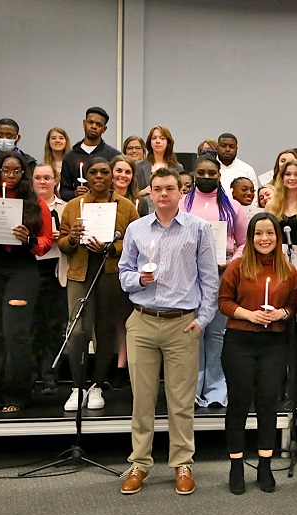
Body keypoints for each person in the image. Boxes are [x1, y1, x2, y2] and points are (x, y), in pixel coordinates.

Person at [118, 167, 219, 495]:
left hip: (181, 323)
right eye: (158, 188)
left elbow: (209, 280)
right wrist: (138, 280)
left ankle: (182, 463)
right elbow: (123, 274)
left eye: (170, 188)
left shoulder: (198, 229)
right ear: (151, 191)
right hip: (143, 320)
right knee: (142, 399)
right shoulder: (136, 228)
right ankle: (139, 463)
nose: (163, 194)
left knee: (180, 400)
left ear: (180, 192)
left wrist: (202, 321)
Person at [219, 213, 297, 494]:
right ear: (250, 238)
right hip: (240, 341)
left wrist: (282, 313)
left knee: (268, 405)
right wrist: (249, 316)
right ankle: (237, 464)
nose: (264, 239)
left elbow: (293, 303)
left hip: (274, 343)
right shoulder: (237, 267)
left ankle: (265, 465)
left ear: (277, 237)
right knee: (239, 404)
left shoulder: (288, 269)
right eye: (258, 234)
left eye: (270, 233)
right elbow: (224, 302)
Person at [0, 153, 53, 412]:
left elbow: (45, 243)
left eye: (16, 171)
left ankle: (18, 393)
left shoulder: (35, 203)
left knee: (16, 333)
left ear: (23, 175)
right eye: (6, 170)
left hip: (22, 270)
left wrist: (28, 240)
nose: (11, 176)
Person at [58, 156, 139, 411]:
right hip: (80, 273)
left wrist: (111, 247)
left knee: (105, 331)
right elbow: (61, 242)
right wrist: (71, 239)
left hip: (110, 274)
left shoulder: (125, 206)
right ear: (88, 177)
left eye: (105, 172)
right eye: (94, 172)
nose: (100, 177)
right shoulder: (73, 206)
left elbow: (134, 242)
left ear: (112, 176)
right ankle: (77, 387)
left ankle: (97, 386)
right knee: (78, 331)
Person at [180, 154, 248, 407]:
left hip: (222, 275)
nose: (206, 177)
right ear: (194, 174)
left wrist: (231, 263)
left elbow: (243, 243)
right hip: (190, 278)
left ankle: (217, 390)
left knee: (218, 333)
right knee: (195, 331)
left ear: (219, 175)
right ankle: (193, 390)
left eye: (212, 173)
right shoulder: (183, 204)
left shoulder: (233, 206)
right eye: (201, 173)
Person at [31, 163, 68, 393]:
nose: (42, 182)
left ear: (55, 180)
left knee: (54, 325)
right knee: (32, 325)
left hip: (57, 269)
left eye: (47, 177)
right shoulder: (25, 208)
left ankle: (49, 374)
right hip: (31, 269)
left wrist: (62, 235)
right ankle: (32, 374)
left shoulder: (66, 208)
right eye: (37, 178)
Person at [110, 155, 143, 387]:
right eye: (118, 170)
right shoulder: (99, 200)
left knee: (124, 318)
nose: (122, 175)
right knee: (104, 320)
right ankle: (108, 362)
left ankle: (122, 365)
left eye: (127, 172)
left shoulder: (139, 203)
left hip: (131, 268)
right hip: (104, 267)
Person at [59, 106, 121, 201]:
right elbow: (64, 191)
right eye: (90, 122)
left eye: (98, 124)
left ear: (104, 129)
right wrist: (74, 193)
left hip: (107, 207)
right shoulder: (70, 156)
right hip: (79, 207)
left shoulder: (114, 155)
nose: (93, 126)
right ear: (84, 124)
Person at [134, 125, 183, 195]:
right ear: (150, 142)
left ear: (168, 143)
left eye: (162, 138)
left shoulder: (177, 167)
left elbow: (180, 193)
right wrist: (142, 192)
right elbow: (132, 194)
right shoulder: (139, 166)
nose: (157, 141)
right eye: (154, 138)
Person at [216, 133, 259, 200]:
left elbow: (254, 198)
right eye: (223, 146)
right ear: (217, 147)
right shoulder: (210, 168)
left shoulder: (247, 169)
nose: (227, 149)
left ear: (236, 149)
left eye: (231, 146)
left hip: (241, 209)